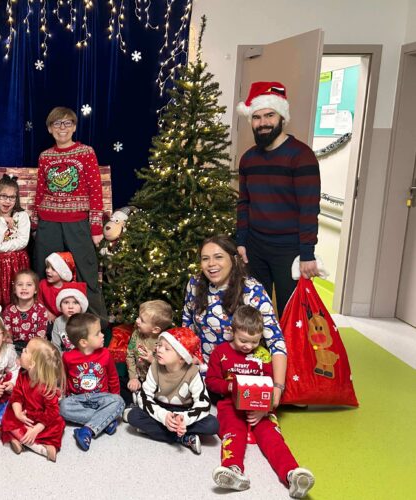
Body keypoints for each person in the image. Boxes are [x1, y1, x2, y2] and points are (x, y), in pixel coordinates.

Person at [206, 306, 315, 498]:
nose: (248, 346)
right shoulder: (220, 352)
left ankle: (292, 475)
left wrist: (264, 410)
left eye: (254, 341)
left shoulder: (263, 355)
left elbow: (270, 385)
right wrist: (230, 386)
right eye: (243, 340)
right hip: (230, 405)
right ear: (232, 331)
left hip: (260, 407)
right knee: (233, 432)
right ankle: (232, 469)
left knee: (272, 437)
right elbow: (211, 381)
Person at [236, 81, 321, 314]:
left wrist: (307, 253)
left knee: (290, 312)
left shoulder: (301, 156)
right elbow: (244, 202)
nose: (263, 123)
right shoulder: (248, 159)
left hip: (289, 250)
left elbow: (309, 208)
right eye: (256, 117)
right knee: (254, 311)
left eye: (269, 115)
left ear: (282, 117)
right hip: (255, 247)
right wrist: (241, 240)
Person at [182, 235, 287, 407]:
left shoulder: (252, 290)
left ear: (234, 259)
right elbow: (187, 328)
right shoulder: (195, 284)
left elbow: (276, 341)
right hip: (206, 373)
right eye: (205, 259)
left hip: (242, 373)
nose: (211, 264)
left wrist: (278, 386)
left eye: (218, 257)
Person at [33, 107, 109, 328]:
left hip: (77, 222)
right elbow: (40, 190)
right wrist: (36, 222)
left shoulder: (86, 152)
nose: (62, 128)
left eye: (67, 123)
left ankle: (96, 325)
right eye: (57, 124)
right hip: (49, 222)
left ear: (74, 127)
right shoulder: (45, 156)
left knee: (86, 271)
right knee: (45, 271)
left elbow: (96, 191)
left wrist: (96, 227)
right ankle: (45, 323)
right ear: (50, 129)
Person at [125, 328, 218, 455]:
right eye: (159, 345)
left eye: (167, 349)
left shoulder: (192, 372)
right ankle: (183, 438)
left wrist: (184, 419)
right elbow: (144, 396)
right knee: (134, 416)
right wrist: (163, 416)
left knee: (212, 425)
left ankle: (158, 431)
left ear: (182, 357)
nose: (159, 350)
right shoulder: (155, 366)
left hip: (184, 411)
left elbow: (203, 403)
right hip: (161, 408)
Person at [60, 313, 124, 451]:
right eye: (97, 333)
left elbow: (113, 377)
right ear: (84, 342)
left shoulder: (105, 354)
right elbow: (64, 379)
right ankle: (106, 420)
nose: (102, 335)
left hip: (101, 398)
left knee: (119, 401)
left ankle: (87, 430)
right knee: (63, 407)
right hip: (78, 399)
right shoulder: (68, 357)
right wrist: (63, 395)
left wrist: (114, 397)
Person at [0, 338, 66, 462]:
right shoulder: (22, 373)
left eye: (25, 351)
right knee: (8, 417)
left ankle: (35, 445)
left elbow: (51, 413)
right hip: (25, 414)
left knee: (58, 425)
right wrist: (18, 413)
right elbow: (17, 395)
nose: (22, 351)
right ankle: (26, 441)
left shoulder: (47, 387)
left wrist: (36, 429)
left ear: (32, 364)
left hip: (42, 420)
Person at [0, 174, 30, 306]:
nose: (7, 201)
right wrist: (3, 221)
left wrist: (1, 247)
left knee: (17, 294)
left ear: (16, 199)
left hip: (17, 261)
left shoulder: (21, 216)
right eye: (3, 196)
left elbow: (23, 241)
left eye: (11, 197)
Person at [121, 300, 174, 406]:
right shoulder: (136, 334)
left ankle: (145, 401)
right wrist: (133, 378)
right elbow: (130, 355)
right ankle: (133, 402)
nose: (137, 321)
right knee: (121, 384)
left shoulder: (164, 342)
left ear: (155, 330)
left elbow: (168, 368)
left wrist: (152, 360)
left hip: (155, 381)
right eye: (138, 317)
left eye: (142, 320)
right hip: (139, 375)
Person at [2, 269, 48, 354]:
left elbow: (40, 336)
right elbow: (8, 335)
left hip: (35, 348)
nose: (24, 288)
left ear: (36, 290)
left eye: (29, 285)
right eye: (20, 284)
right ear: (14, 289)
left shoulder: (41, 310)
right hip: (14, 348)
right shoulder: (8, 310)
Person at [38, 251, 76, 321]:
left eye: (53, 269)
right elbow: (38, 301)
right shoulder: (42, 284)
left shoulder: (70, 288)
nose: (48, 270)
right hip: (48, 319)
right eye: (47, 267)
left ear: (63, 273)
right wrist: (46, 312)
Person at [51, 284, 88, 353]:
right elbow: (55, 347)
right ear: (60, 306)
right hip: (65, 356)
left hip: (82, 356)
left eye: (75, 303)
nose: (70, 307)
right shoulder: (58, 322)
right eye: (66, 302)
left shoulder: (87, 322)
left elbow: (90, 347)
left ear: (81, 306)